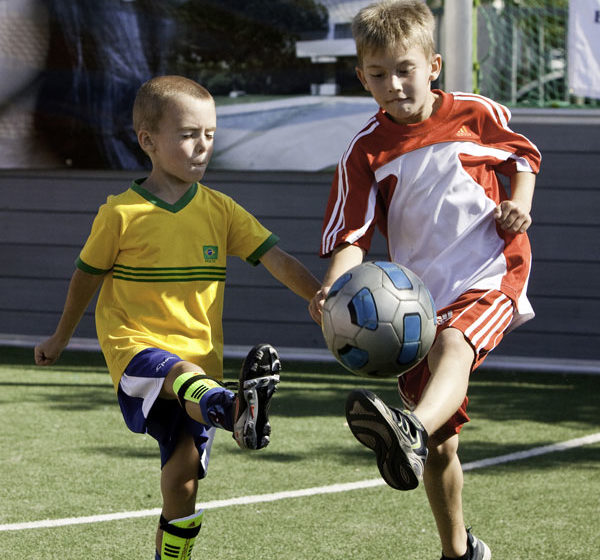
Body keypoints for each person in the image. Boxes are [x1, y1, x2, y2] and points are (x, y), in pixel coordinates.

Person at [35, 75, 321, 560]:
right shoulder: (120, 214)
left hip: (198, 367)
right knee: (179, 373)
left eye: (210, 135)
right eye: (188, 134)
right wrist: (61, 336)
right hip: (136, 352)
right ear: (148, 140)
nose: (202, 146)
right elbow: (84, 278)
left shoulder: (221, 210)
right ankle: (236, 410)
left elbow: (277, 259)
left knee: (182, 482)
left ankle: (174, 550)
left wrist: (320, 298)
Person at [309, 2, 541, 559]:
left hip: (492, 272)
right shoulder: (364, 151)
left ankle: (406, 429)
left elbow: (523, 156)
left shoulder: (475, 113)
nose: (393, 84)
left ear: (432, 65)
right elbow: (352, 234)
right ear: (362, 78)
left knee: (455, 345)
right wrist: (333, 287)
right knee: (442, 449)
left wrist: (518, 205)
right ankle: (458, 551)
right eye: (379, 74)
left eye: (404, 69)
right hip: (415, 304)